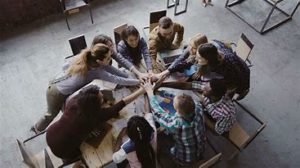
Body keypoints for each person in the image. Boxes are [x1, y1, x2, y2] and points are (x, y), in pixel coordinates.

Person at [33, 44, 140, 133]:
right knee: (50, 115)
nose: (110, 59)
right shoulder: (97, 71)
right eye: (108, 58)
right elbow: (117, 79)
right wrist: (139, 82)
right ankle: (37, 129)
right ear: (99, 61)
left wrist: (134, 76)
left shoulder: (86, 56)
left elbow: (64, 66)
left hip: (56, 81)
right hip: (57, 92)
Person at [46, 85, 146, 160]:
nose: (103, 99)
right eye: (101, 99)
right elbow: (120, 105)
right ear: (94, 106)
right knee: (82, 153)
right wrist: (141, 91)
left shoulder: (74, 101)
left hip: (50, 133)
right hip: (63, 151)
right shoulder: (94, 117)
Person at [143, 79, 205, 167]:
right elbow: (178, 98)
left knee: (162, 142)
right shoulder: (197, 106)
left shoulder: (176, 124)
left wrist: (149, 93)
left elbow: (158, 113)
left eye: (174, 105)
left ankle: (176, 163)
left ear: (178, 111)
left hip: (185, 159)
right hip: (200, 149)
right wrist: (160, 92)